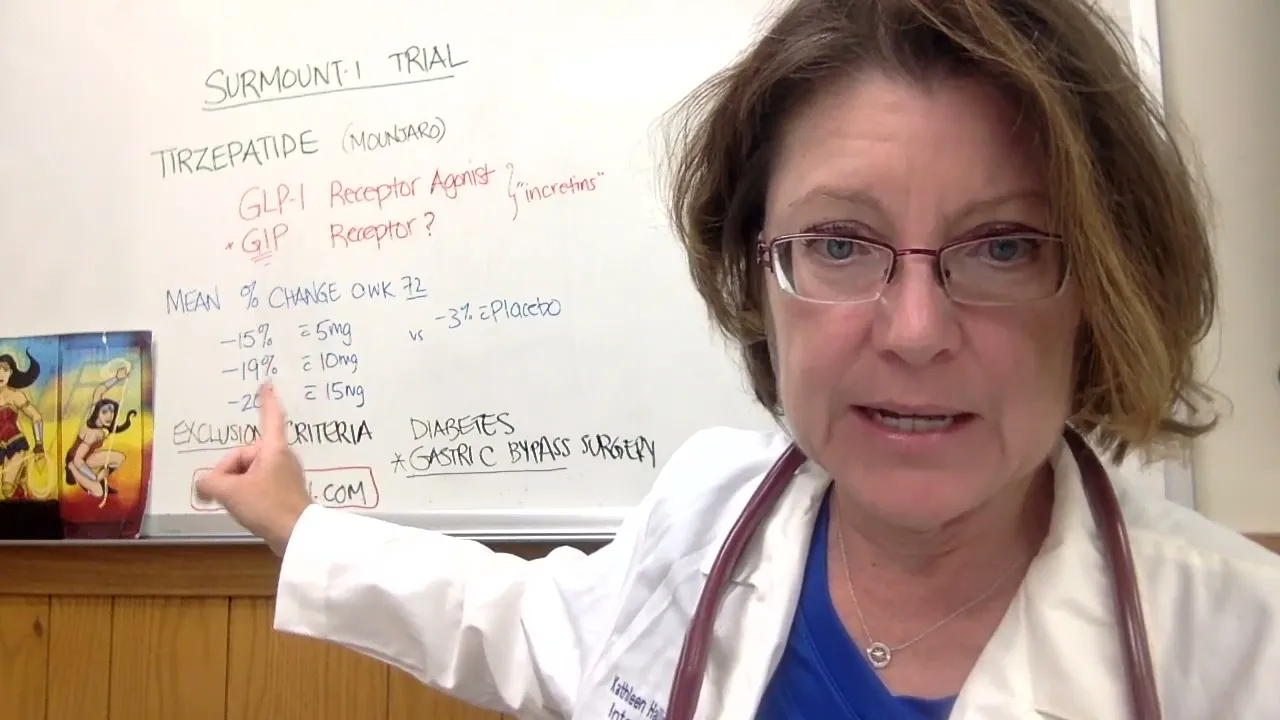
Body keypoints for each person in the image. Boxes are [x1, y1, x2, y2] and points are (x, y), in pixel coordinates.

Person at [197, 0, 1280, 717]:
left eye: (1002, 246)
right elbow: (524, 624)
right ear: (756, 274)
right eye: (839, 244)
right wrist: (303, 525)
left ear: (1102, 284)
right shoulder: (706, 517)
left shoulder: (1244, 647)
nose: (914, 330)